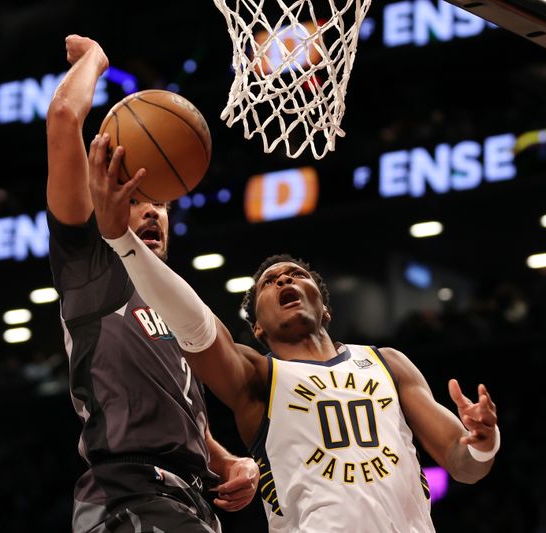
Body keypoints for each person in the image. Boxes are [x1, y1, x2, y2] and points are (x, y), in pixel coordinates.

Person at [88, 133, 501, 532]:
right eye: (270, 282)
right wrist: (123, 241)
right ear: (257, 327)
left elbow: (463, 463)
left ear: (325, 307)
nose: (285, 282)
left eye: (296, 275)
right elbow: (194, 324)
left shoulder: (387, 363)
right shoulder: (257, 377)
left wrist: (484, 441)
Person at [45, 34, 259, 533]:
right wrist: (97, 62)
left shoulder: (169, 300)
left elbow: (172, 403)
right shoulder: (88, 265)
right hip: (127, 493)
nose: (152, 212)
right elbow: (62, 120)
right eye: (137, 197)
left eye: (160, 202)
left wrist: (225, 461)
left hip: (185, 496)